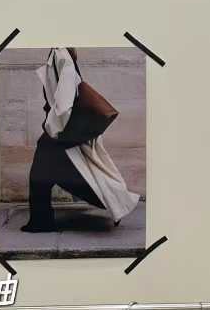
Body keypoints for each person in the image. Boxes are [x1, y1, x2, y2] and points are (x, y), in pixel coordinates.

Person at [23, 46, 140, 234]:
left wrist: (52, 130)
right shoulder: (60, 53)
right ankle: (41, 220)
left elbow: (65, 102)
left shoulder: (61, 54)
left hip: (59, 130)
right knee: (60, 174)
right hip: (60, 130)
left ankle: (41, 221)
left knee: (46, 175)